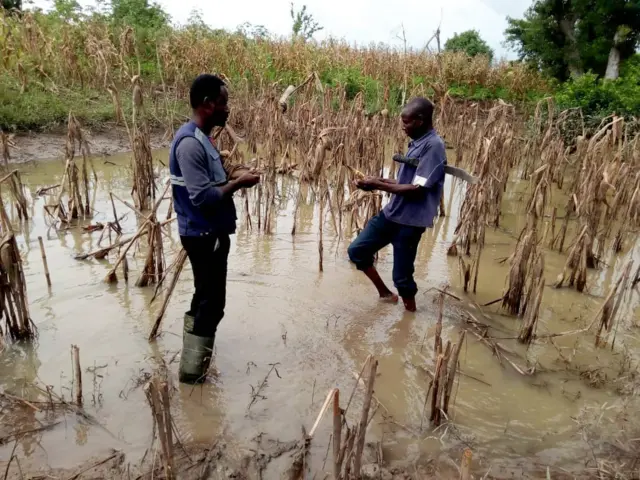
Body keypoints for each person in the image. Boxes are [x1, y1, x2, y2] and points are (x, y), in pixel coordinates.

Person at [169, 74, 260, 384]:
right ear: (207, 104)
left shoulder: (202, 138)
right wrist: (238, 183)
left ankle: (194, 362)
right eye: (223, 103)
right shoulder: (190, 143)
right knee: (213, 304)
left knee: (204, 297)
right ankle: (192, 376)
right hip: (203, 234)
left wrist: (235, 171)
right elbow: (203, 197)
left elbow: (212, 178)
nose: (228, 109)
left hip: (206, 232)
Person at [347, 97, 446, 312]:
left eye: (407, 122)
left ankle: (410, 316)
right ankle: (384, 294)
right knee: (357, 251)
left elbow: (418, 189)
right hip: (391, 214)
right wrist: (374, 182)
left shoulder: (434, 146)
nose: (403, 127)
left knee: (402, 278)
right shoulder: (417, 142)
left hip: (410, 223)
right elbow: (405, 182)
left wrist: (378, 185)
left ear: (420, 120)